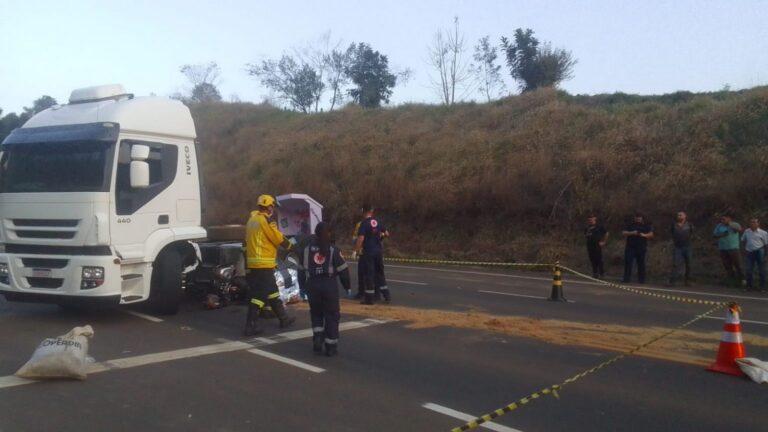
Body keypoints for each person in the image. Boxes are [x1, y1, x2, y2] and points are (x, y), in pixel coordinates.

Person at [243, 194, 296, 336]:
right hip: (263, 263)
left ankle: (283, 319)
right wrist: (291, 246)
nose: (273, 209)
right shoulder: (265, 220)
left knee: (272, 291)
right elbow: (277, 237)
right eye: (273, 206)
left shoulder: (251, 220)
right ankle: (250, 325)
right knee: (259, 296)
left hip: (254, 263)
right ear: (269, 206)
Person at [298, 222, 351, 356]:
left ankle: (317, 338)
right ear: (329, 233)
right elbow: (343, 271)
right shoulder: (333, 250)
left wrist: (302, 288)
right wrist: (347, 287)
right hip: (329, 286)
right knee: (332, 316)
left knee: (316, 314)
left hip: (312, 286)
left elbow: (301, 271)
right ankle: (331, 346)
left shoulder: (306, 250)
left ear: (315, 233)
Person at [354, 204, 390, 305]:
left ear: (363, 212)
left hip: (369, 252)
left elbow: (361, 238)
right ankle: (386, 295)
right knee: (380, 273)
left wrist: (356, 251)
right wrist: (380, 237)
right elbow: (387, 233)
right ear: (372, 211)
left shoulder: (364, 223)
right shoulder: (377, 221)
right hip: (378, 251)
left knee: (369, 274)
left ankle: (369, 299)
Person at [713, 213, 744, 287]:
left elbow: (739, 229)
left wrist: (729, 224)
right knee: (727, 266)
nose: (722, 220)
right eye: (721, 219)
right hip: (723, 248)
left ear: (729, 218)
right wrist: (721, 235)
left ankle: (742, 280)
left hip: (733, 248)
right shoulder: (719, 225)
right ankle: (731, 281)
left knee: (738, 265)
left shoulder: (735, 224)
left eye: (724, 219)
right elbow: (714, 235)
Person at [622, 213, 654, 284]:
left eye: (639, 217)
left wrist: (644, 235)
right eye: (637, 217)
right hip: (630, 247)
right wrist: (632, 233)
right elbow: (624, 233)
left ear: (642, 218)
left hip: (641, 247)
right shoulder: (630, 224)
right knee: (628, 262)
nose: (638, 219)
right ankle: (626, 278)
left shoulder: (646, 225)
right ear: (634, 218)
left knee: (641, 263)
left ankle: (641, 279)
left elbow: (651, 234)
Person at [741, 217, 768, 292]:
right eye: (751, 222)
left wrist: (766, 255)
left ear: (758, 223)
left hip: (760, 251)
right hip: (749, 252)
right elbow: (743, 240)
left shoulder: (763, 233)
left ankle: (762, 287)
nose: (752, 223)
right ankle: (749, 286)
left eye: (754, 222)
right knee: (749, 270)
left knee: (761, 270)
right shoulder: (747, 231)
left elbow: (766, 245)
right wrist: (744, 250)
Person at [669, 211, 694, 286]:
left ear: (685, 216)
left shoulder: (689, 225)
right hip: (678, 247)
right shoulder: (674, 225)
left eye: (680, 215)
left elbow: (692, 233)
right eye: (678, 215)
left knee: (689, 264)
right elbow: (671, 233)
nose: (679, 216)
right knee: (675, 264)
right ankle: (672, 281)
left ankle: (687, 281)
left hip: (687, 246)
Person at [584, 215, 608, 279]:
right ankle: (595, 273)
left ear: (595, 219)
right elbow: (585, 235)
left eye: (592, 219)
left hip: (597, 245)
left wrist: (604, 242)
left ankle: (602, 273)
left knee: (599, 259)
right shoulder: (587, 227)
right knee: (592, 259)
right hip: (590, 245)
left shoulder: (599, 226)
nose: (590, 221)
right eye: (589, 219)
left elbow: (606, 233)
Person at [351, 217, 366, 300]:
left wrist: (355, 250)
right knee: (373, 274)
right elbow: (383, 235)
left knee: (361, 273)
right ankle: (376, 293)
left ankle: (361, 293)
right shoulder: (375, 223)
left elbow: (355, 238)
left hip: (363, 252)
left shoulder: (360, 224)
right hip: (374, 252)